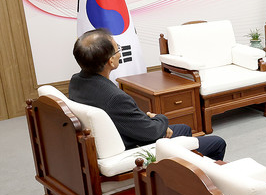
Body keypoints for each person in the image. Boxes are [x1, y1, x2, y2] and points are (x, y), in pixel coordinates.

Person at [69, 29, 226, 161]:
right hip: (134, 147)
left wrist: (149, 121)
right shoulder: (115, 98)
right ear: (111, 61)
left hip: (117, 135)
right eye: (118, 49)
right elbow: (151, 132)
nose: (119, 53)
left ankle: (187, 165)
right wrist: (159, 118)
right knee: (217, 143)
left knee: (184, 129)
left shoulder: (76, 81)